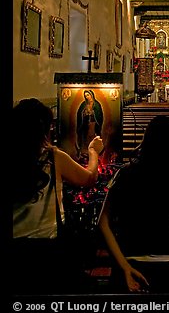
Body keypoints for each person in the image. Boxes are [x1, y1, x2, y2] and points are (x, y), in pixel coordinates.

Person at [98, 115, 169, 294]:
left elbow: (102, 223)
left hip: (129, 262)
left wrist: (124, 266)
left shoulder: (124, 173)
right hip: (168, 268)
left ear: (146, 139)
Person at [12, 97, 104, 294]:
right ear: (45, 129)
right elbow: (89, 179)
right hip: (47, 250)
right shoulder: (52, 158)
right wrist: (93, 152)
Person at [76, 89, 103, 159]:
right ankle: (85, 153)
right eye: (85, 96)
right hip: (85, 125)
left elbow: (99, 115)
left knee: (92, 137)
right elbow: (79, 114)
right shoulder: (83, 104)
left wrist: (93, 113)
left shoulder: (96, 104)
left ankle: (93, 152)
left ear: (91, 95)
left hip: (93, 124)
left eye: (88, 95)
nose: (87, 97)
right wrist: (84, 114)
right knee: (85, 139)